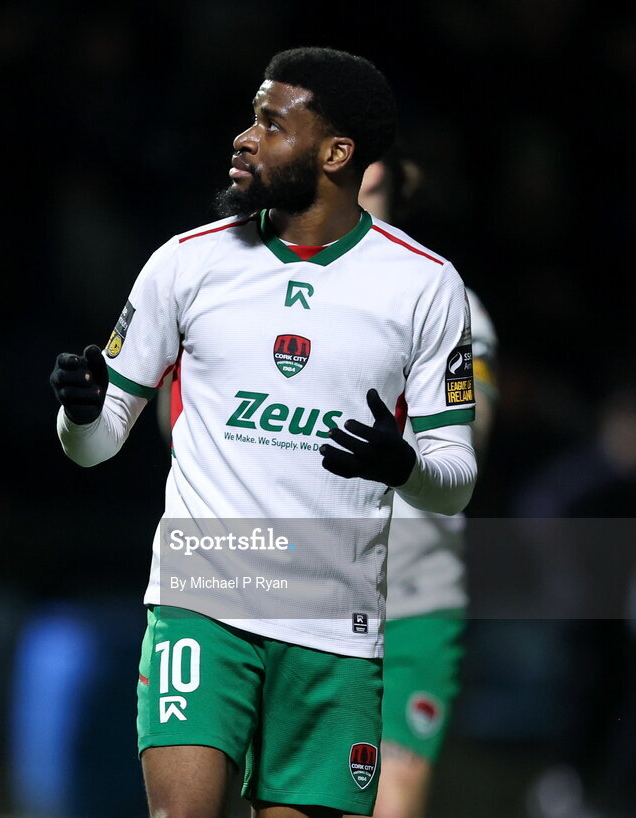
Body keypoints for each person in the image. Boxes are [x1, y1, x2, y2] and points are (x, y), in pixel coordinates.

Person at [50, 47, 477, 818]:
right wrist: (80, 412)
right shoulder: (186, 264)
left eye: (272, 124)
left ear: (336, 152)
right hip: (202, 598)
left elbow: (455, 479)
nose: (245, 138)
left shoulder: (425, 285)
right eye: (251, 118)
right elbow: (99, 441)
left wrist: (405, 463)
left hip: (334, 623)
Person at [356, 158, 498, 818]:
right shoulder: (266, 293)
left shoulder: (452, 303)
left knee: (394, 792)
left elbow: (472, 435)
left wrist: (402, 456)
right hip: (299, 583)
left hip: (411, 592)